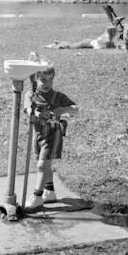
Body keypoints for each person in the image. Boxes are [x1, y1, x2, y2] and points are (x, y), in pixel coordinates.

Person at [23, 65, 79, 210]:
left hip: (53, 135)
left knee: (42, 165)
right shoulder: (31, 95)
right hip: (39, 135)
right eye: (43, 80)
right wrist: (34, 113)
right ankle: (50, 192)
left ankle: (37, 196)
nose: (47, 83)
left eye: (50, 80)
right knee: (45, 165)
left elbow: (76, 110)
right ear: (35, 79)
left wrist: (65, 109)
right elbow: (27, 108)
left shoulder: (58, 96)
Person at [43, 26, 122, 50]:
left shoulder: (107, 39)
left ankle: (56, 43)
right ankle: (53, 45)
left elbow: (112, 46)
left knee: (71, 44)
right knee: (70, 46)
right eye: (115, 32)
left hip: (88, 41)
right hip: (88, 42)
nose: (116, 34)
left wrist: (118, 47)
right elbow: (109, 47)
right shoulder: (107, 40)